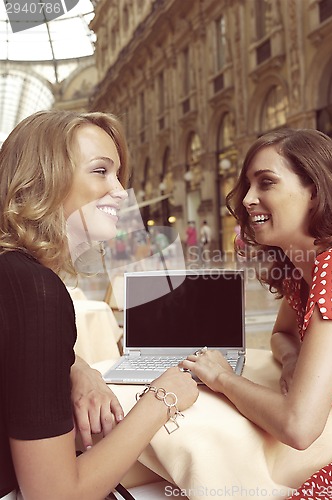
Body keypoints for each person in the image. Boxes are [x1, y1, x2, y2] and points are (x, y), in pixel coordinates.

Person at [0, 110, 198, 500]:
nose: (121, 192)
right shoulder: (37, 291)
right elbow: (54, 496)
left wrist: (79, 368)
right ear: (44, 180)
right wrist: (164, 397)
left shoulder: (14, 274)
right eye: (100, 171)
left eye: (119, 174)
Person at [180, 128, 332, 499]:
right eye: (248, 185)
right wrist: (293, 359)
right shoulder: (305, 267)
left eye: (266, 182)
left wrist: (223, 378)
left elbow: (299, 426)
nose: (249, 198)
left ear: (315, 190)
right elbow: (280, 334)